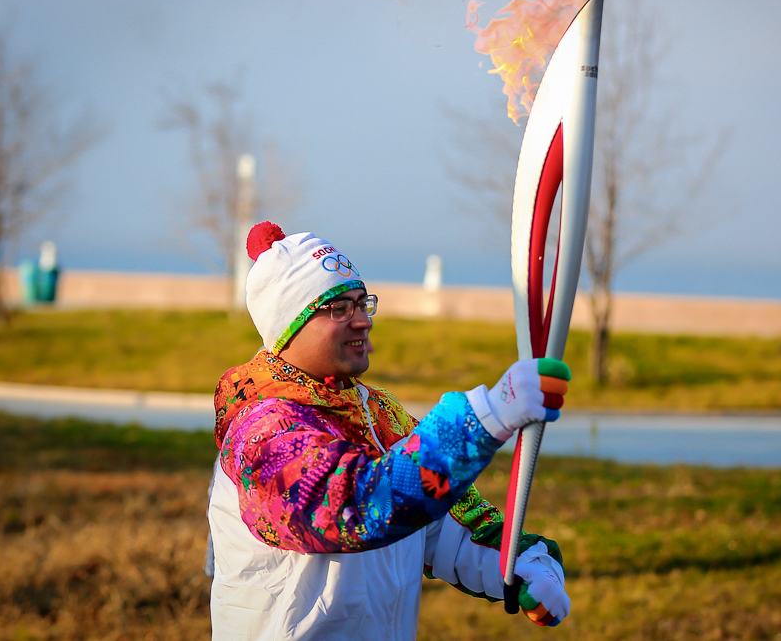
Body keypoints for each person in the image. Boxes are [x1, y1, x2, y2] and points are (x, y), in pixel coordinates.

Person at [207, 222, 571, 640]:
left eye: (363, 303)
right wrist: (481, 419)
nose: (362, 321)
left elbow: (442, 522)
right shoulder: (263, 431)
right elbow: (352, 506)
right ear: (288, 326)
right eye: (338, 308)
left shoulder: (377, 412)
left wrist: (520, 566)